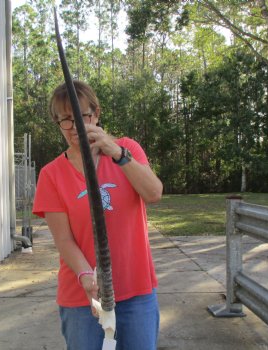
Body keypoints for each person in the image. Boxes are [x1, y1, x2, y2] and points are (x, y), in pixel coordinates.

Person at [32, 80, 163, 350]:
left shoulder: (128, 149)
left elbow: (153, 193)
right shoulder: (51, 174)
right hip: (83, 298)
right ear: (58, 124)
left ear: (97, 113)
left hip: (136, 292)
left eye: (83, 116)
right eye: (66, 120)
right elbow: (64, 240)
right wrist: (86, 278)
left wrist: (115, 151)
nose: (75, 126)